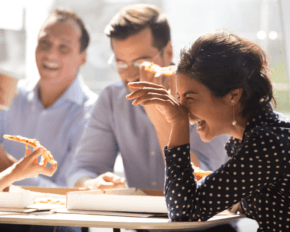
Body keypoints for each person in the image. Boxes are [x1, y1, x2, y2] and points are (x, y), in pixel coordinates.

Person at [127, 30, 290, 232]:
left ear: (233, 96)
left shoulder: (269, 142)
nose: (181, 109)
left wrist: (176, 124)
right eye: (179, 97)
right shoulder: (261, 135)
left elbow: (184, 211)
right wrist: (208, 181)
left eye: (190, 98)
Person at [67, 4, 228, 192]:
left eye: (141, 63)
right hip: (136, 218)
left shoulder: (207, 95)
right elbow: (83, 168)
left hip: (205, 219)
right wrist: (91, 183)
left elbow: (203, 184)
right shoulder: (112, 99)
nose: (130, 76)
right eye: (121, 64)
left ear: (168, 53)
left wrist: (159, 116)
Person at [0, 8, 97, 187]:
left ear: (82, 58)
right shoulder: (11, 94)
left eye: (63, 47)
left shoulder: (93, 112)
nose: (50, 54)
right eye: (44, 43)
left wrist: (12, 172)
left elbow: (68, 191)